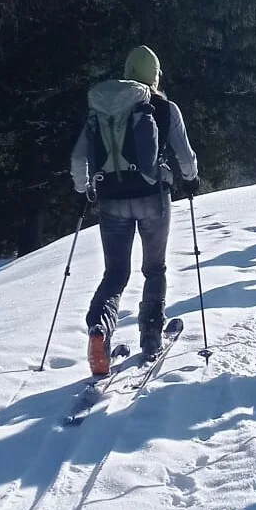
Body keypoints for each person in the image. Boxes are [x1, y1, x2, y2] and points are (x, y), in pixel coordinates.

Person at [71, 44, 200, 373]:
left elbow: (78, 158)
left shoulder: (101, 107)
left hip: (111, 200)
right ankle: (151, 337)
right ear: (155, 75)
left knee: (115, 274)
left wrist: (84, 189)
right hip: (153, 196)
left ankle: (100, 330)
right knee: (154, 268)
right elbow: (184, 154)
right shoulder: (164, 107)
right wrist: (190, 179)